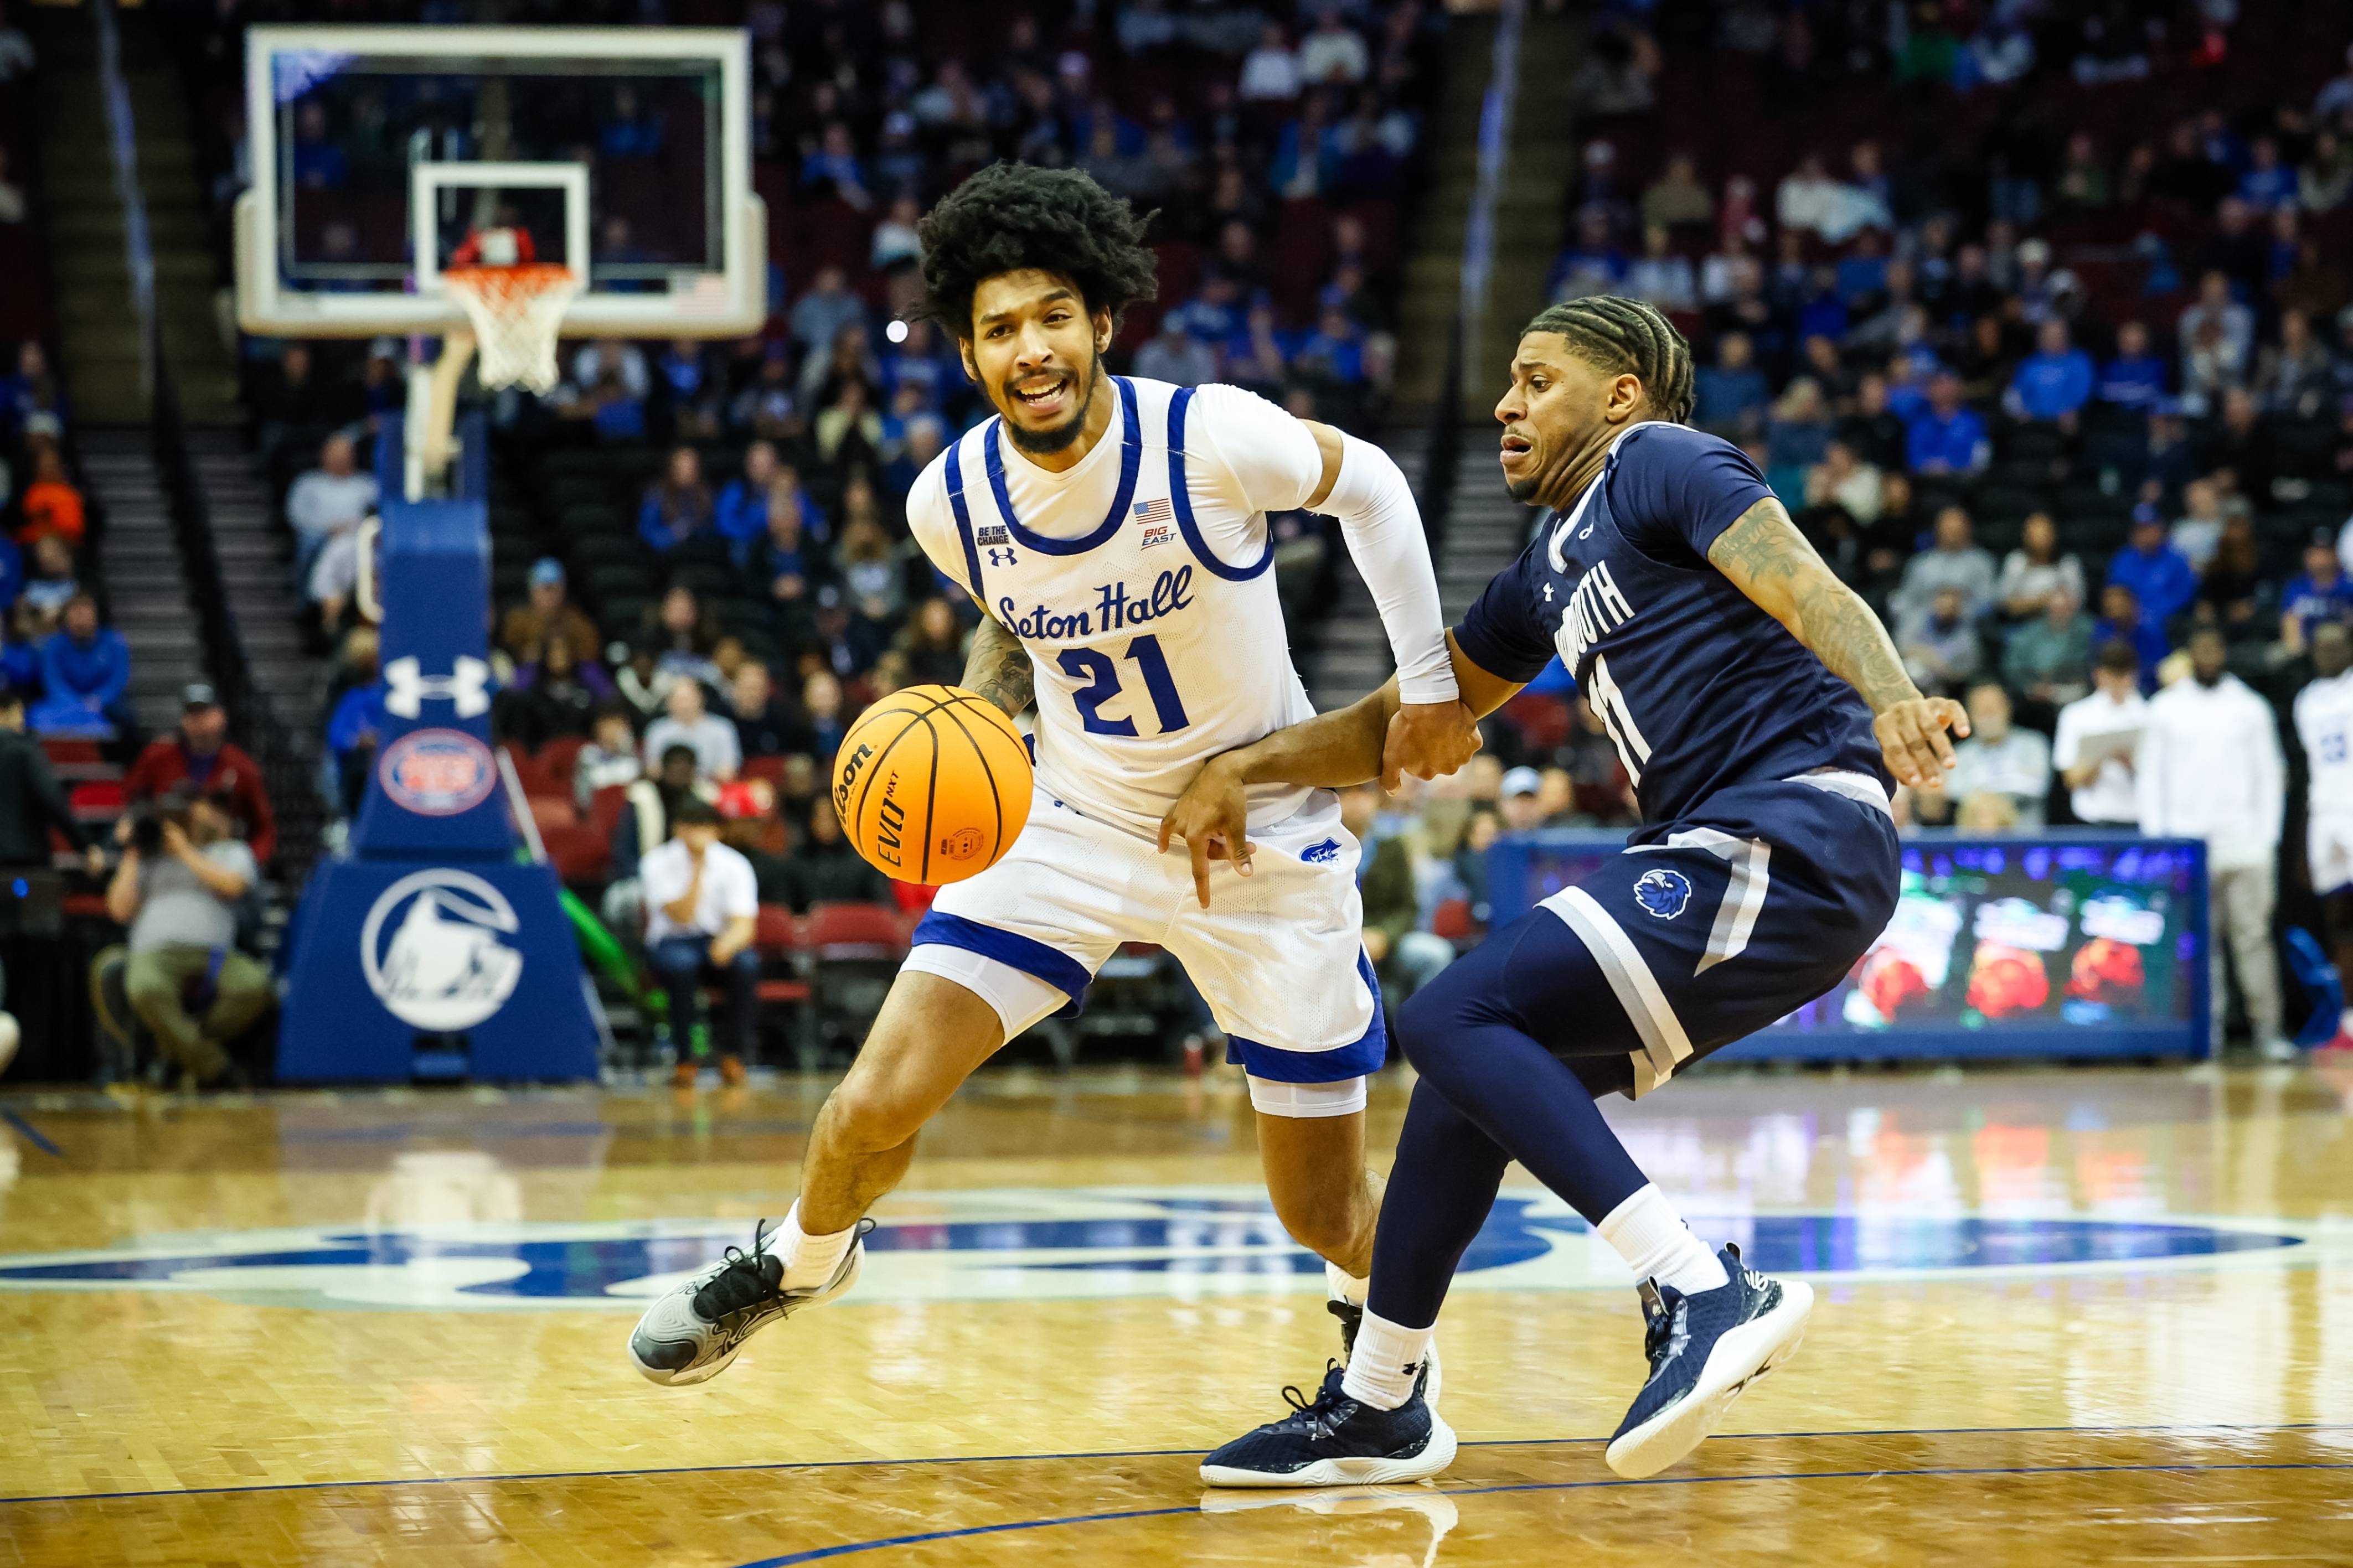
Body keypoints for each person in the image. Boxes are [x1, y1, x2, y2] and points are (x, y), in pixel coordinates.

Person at [628, 163, 1475, 1389]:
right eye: (999, 328)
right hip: (1072, 828)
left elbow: (1377, 488)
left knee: (1325, 1211)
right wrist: (977, 719)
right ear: (969, 356)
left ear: (1102, 322)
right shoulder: (948, 502)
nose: (1031, 348)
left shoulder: (1208, 435)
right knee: (872, 1103)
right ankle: (803, 1260)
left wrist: (1430, 683)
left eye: (1052, 316)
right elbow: (1018, 624)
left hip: (1264, 850)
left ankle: (1384, 1343)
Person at [1175, 296, 1962, 1486]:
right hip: (1727, 845)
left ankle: (1700, 1283)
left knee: (1447, 1011)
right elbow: (1405, 726)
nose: (1505, 404)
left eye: (1537, 380)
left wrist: (1892, 691)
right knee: (1460, 1085)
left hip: (1790, 825)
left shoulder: (1663, 462)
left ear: (1623, 394)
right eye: (1507, 383)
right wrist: (1241, 766)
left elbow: (1804, 586)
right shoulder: (1542, 572)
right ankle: (1380, 1399)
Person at [2137, 627, 2288, 1060]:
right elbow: (2152, 777)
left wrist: (2266, 837)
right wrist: (2161, 840)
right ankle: (2209, 1034)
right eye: (2199, 649)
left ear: (2223, 652)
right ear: (2190, 654)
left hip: (2245, 843)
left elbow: (2271, 774)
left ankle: (2268, 1031)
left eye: (2213, 648)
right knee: (2199, 947)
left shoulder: (2249, 707)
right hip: (2188, 843)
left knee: (2254, 939)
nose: (2207, 655)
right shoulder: (2165, 708)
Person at [104, 790, 270, 1089]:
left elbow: (233, 886)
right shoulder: (148, 856)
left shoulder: (230, 851)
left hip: (215, 955)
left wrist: (184, 851)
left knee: (254, 987)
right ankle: (216, 1069)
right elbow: (118, 910)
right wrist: (132, 851)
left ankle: (175, 1052)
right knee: (144, 988)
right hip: (155, 954)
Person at [639, 796, 760, 1089]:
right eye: (691, 827)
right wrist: (697, 868)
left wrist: (728, 944)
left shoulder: (736, 864)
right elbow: (681, 915)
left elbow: (745, 923)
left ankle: (732, 1055)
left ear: (717, 830)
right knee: (682, 966)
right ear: (677, 829)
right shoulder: (656, 863)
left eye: (705, 826)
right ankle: (685, 1057)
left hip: (717, 938)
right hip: (673, 940)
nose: (698, 834)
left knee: (747, 965)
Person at [123, 685, 276, 864]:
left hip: (223, 857)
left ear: (221, 716)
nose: (198, 720)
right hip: (168, 854)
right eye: (191, 713)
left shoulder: (241, 766)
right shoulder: (158, 757)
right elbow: (130, 798)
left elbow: (264, 827)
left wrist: (250, 863)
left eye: (204, 712)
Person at [2293, 624, 2353, 1050]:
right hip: (2325, 812)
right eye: (2321, 647)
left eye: (2336, 646)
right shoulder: (2307, 699)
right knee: (2337, 917)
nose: (2328, 653)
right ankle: (2349, 1019)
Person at [0, 681, 101, 873]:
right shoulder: (24, 750)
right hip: (26, 858)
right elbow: (51, 798)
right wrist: (83, 845)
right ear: (3, 712)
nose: (22, 721)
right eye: (19, 713)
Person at [2052, 641, 2148, 827]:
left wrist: (2131, 763)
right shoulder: (2076, 715)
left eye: (2124, 674)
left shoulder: (2149, 715)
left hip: (2139, 821)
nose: (2118, 682)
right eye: (2113, 674)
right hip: (2091, 822)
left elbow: (2162, 779)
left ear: (2134, 674)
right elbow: (2071, 779)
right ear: (2099, 674)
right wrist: (2103, 756)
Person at [1936, 681, 2052, 828]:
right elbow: (1954, 793)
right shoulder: (1959, 754)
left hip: (2027, 838)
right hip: (1975, 839)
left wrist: (1983, 790)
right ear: (1969, 715)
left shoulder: (2034, 744)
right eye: (1982, 711)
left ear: (2008, 708)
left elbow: (2037, 787)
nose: (1989, 716)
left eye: (1993, 709)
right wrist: (2010, 782)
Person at [30, 593, 130, 737]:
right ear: (66, 620)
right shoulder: (53, 646)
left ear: (95, 618)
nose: (81, 622)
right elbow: (52, 680)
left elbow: (118, 680)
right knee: (39, 713)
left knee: (123, 714)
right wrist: (76, 704)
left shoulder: (115, 643)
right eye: (76, 617)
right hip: (65, 702)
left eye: (85, 616)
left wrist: (98, 700)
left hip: (105, 704)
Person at [498, 560, 600, 664]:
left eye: (554, 590)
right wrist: (523, 654)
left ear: (563, 591)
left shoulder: (578, 623)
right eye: (544, 590)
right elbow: (506, 653)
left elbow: (591, 654)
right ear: (532, 591)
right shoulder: (517, 621)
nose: (549, 597)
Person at [642, 677, 739, 783]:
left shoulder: (723, 728)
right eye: (680, 700)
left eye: (689, 699)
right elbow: (653, 770)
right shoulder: (657, 730)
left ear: (701, 699)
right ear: (669, 703)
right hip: (669, 790)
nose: (685, 705)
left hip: (710, 787)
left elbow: (728, 770)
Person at [2280, 529, 2353, 658]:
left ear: (2336, 555)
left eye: (2326, 553)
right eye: (2316, 553)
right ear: (2307, 556)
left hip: (2340, 647)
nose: (2321, 559)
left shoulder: (2348, 585)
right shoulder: (2296, 586)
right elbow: (2289, 620)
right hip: (2305, 648)